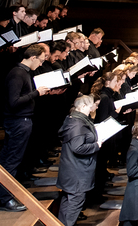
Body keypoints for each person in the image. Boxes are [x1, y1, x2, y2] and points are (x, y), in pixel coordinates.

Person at [0, 43, 51, 212]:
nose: (41, 63)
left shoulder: (24, 72)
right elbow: (14, 102)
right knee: (11, 160)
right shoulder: (18, 73)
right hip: (17, 121)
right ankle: (5, 198)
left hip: (20, 120)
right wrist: (36, 93)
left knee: (8, 159)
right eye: (41, 60)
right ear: (32, 57)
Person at [56, 95, 101, 226]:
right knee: (74, 203)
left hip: (72, 169)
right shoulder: (78, 124)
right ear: (82, 106)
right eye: (90, 106)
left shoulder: (73, 119)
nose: (92, 108)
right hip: (77, 172)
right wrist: (96, 145)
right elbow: (78, 147)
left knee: (67, 202)